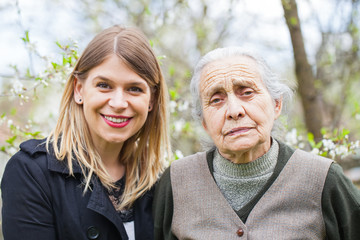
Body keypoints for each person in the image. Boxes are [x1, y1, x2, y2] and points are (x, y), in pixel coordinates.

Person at [153, 47, 360, 239]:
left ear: (276, 104)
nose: (234, 111)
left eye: (247, 92)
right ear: (204, 122)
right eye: (216, 100)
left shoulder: (324, 181)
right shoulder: (176, 183)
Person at [1, 25, 170, 240]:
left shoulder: (159, 184)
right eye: (104, 85)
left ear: (152, 100)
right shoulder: (32, 172)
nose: (118, 103)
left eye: (134, 88)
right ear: (79, 90)